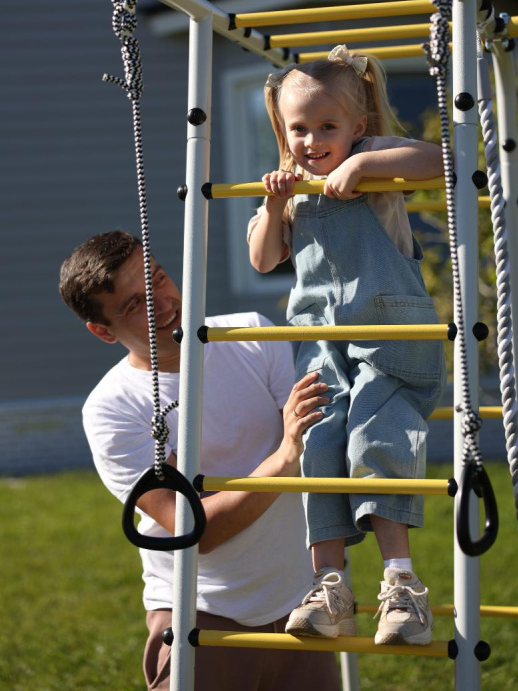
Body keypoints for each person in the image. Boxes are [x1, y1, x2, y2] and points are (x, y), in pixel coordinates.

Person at [59, 230, 341, 691]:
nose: (162, 303)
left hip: (298, 603)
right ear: (103, 331)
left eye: (157, 279)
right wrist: (286, 456)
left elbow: (320, 444)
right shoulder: (113, 408)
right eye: (133, 304)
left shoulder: (251, 333)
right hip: (200, 614)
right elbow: (197, 529)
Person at [248, 45, 447, 646]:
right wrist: (275, 202)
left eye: (327, 127)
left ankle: (402, 585)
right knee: (319, 441)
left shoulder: (375, 160)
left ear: (357, 126)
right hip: (321, 343)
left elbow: (439, 159)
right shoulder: (289, 186)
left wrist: (363, 165)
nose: (312, 141)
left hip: (390, 337)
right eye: (298, 129)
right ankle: (329, 586)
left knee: (374, 436)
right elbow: (263, 259)